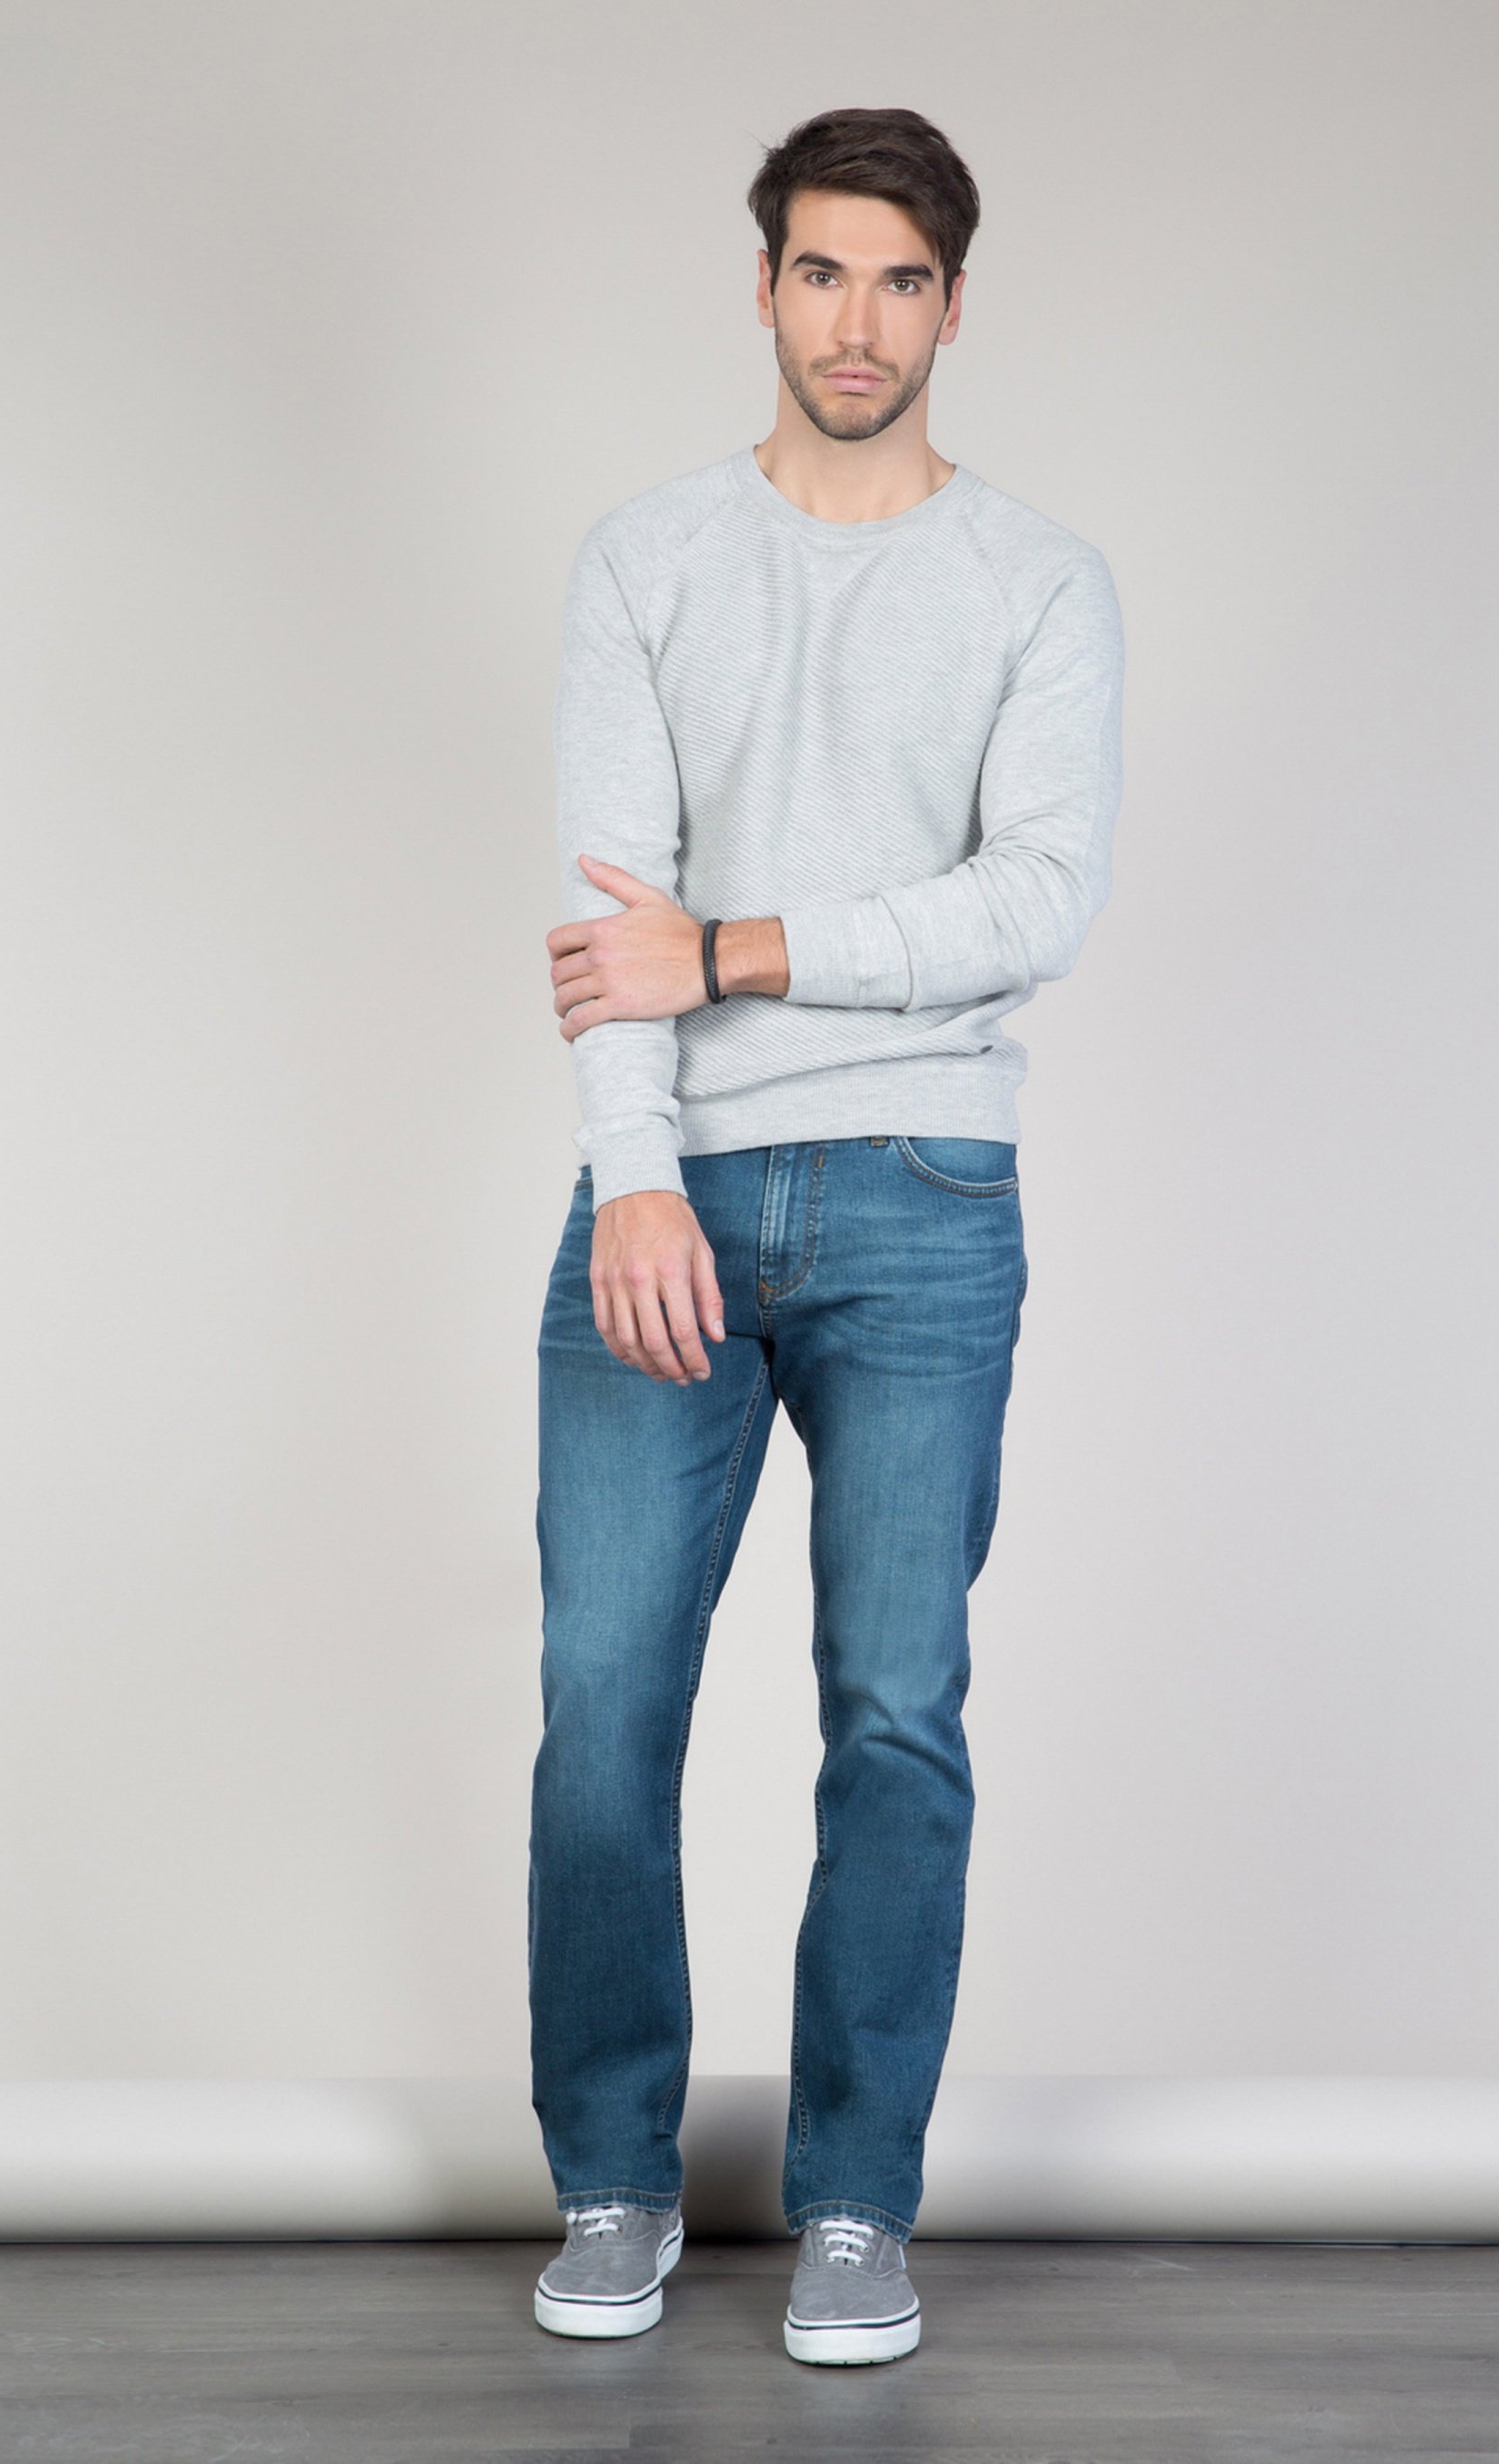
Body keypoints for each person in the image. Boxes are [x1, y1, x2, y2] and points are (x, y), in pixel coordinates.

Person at [527, 103, 1124, 2367]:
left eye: (898, 280)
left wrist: (743, 946)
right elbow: (609, 920)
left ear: (951, 305)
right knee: (604, 1702)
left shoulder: (1035, 583)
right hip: (667, 1187)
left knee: (892, 1710)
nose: (854, 322)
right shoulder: (647, 560)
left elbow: (1030, 902)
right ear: (760, 288)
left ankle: (858, 2206)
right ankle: (611, 2179)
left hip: (922, 1196)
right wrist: (637, 1166)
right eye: (818, 272)